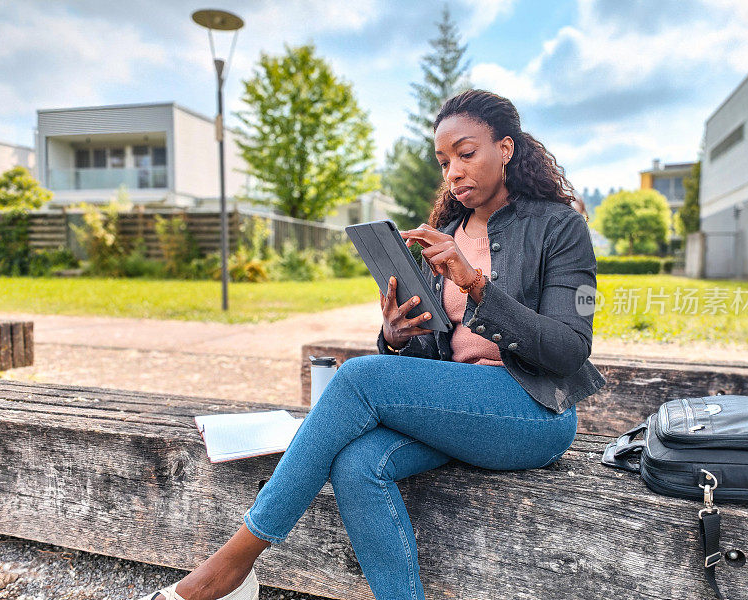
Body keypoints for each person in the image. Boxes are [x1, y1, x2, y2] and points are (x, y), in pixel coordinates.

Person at [142, 88, 606, 600]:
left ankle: (226, 571)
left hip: (533, 412)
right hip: (458, 407)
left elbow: (568, 349)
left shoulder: (561, 227)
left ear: (506, 148)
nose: (453, 171)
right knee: (357, 463)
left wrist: (475, 284)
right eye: (444, 160)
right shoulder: (446, 230)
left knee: (356, 376)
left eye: (466, 154)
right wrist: (395, 336)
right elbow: (437, 355)